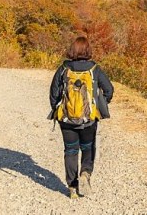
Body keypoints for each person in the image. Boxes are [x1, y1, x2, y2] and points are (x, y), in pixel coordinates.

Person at [49, 36, 113, 199]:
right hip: (88, 119)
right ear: (87, 50)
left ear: (72, 50)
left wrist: (58, 109)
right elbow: (109, 90)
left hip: (67, 119)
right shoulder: (94, 69)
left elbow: (54, 93)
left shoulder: (64, 68)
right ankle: (85, 173)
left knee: (70, 150)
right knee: (87, 147)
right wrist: (100, 104)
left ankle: (72, 187)